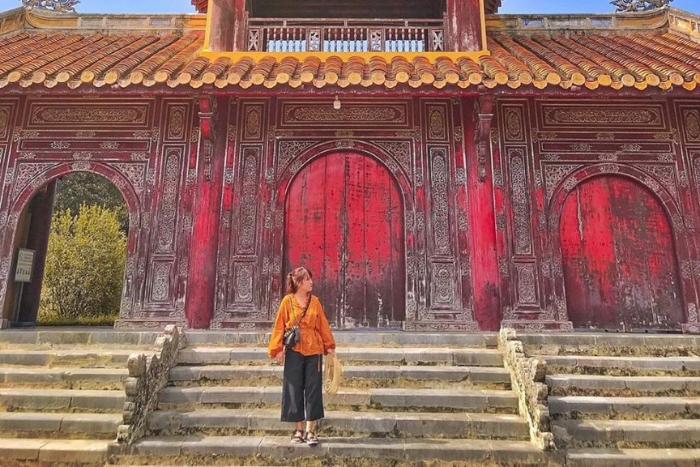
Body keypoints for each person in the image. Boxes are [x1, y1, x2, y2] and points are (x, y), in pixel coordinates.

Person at [268, 266, 336, 446]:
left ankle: (310, 429)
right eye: (307, 279)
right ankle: (298, 428)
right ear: (298, 283)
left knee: (313, 388)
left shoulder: (315, 302)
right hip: (294, 350)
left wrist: (329, 346)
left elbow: (323, 324)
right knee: (294, 387)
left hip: (314, 349)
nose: (311, 282)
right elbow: (279, 326)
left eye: (310, 279)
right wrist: (277, 349)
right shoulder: (287, 302)